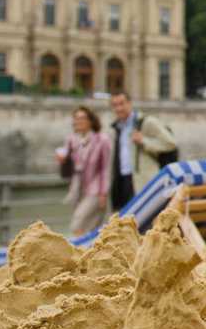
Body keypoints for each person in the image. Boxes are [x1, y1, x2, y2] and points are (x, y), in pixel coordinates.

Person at [107, 91, 178, 213]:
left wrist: (144, 141)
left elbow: (170, 144)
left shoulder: (147, 122)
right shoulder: (116, 127)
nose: (118, 108)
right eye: (115, 105)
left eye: (121, 104)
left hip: (143, 180)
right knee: (124, 220)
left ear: (130, 103)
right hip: (122, 179)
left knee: (143, 219)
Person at [58, 106, 112, 237]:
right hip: (78, 188)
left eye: (82, 118)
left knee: (77, 222)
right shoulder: (72, 140)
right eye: (76, 118)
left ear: (91, 121)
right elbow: (68, 162)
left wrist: (103, 193)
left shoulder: (102, 140)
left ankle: (79, 252)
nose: (77, 121)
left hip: (95, 189)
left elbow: (106, 168)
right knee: (92, 228)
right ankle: (91, 253)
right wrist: (63, 160)